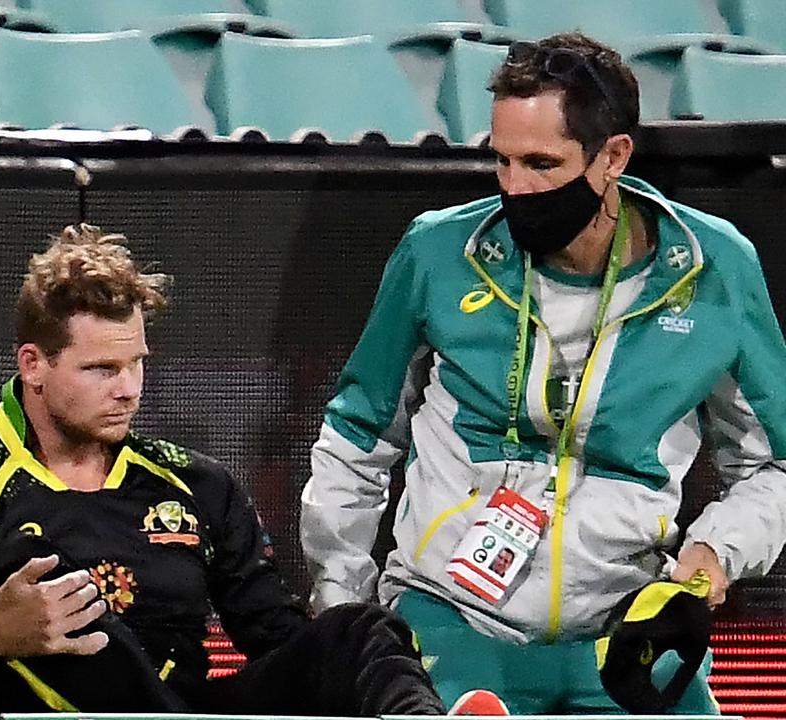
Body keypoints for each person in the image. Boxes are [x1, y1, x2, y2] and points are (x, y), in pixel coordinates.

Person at [300, 31, 786, 714]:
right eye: (500, 161)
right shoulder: (438, 251)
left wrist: (714, 554)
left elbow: (775, 466)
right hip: (446, 618)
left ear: (613, 155)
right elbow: (356, 437)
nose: (514, 188)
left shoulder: (716, 271)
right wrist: (343, 611)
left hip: (624, 636)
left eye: (540, 163)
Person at [0, 224, 445, 717]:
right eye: (101, 369)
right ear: (33, 364)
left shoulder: (199, 485)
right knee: (63, 607)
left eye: (136, 365)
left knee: (359, 632)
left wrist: (331, 661)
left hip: (197, 715)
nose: (128, 390)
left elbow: (280, 641)